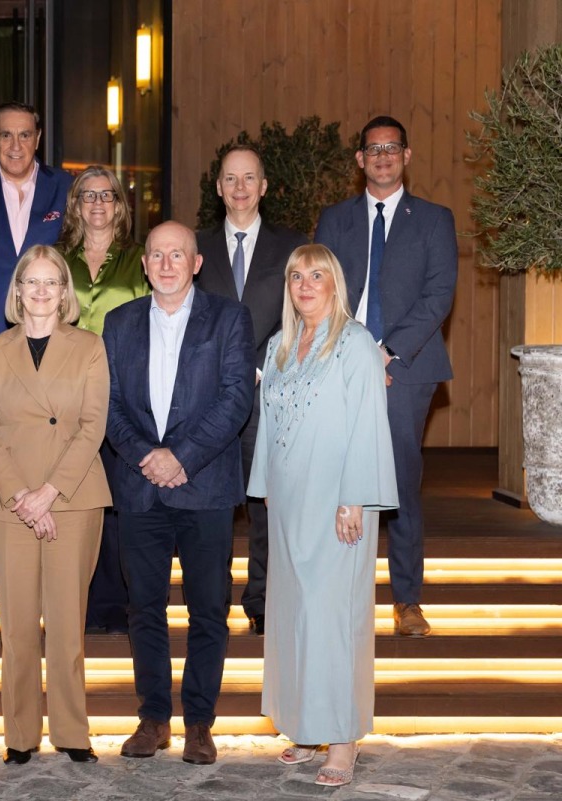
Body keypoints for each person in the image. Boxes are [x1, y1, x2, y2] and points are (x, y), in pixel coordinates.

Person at [103, 221, 254, 765]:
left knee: (208, 610)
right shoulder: (118, 324)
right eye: (156, 255)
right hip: (140, 486)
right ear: (144, 264)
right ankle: (153, 718)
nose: (166, 264)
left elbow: (236, 400)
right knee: (143, 608)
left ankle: (198, 722)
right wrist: (149, 456)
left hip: (205, 487)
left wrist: (182, 456)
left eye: (178, 254)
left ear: (196, 263)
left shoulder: (229, 318)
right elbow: (110, 405)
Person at [248, 244, 398, 788]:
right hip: (289, 501)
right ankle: (306, 726)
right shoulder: (282, 345)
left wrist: (356, 497)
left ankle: (343, 738)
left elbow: (368, 425)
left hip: (339, 501)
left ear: (335, 282)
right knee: (294, 613)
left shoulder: (356, 345)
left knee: (335, 617)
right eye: (295, 276)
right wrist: (264, 486)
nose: (305, 284)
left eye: (316, 275)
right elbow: (267, 423)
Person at [314, 115, 457, 637]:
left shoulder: (435, 219)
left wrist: (387, 352)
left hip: (409, 368)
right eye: (372, 148)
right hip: (339, 364)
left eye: (391, 147)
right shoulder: (335, 220)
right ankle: (336, 596)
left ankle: (407, 600)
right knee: (336, 478)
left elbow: (439, 295)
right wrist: (357, 353)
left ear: (407, 155)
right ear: (359, 160)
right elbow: (318, 289)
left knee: (398, 481)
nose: (382, 156)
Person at [0, 244, 111, 765]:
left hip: (72, 497)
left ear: (64, 292)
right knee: (18, 626)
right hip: (9, 503)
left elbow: (92, 426)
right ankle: (20, 735)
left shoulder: (90, 347)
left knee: (68, 623)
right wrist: (22, 497)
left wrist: (48, 493)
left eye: (52, 281)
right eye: (32, 280)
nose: (41, 290)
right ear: (18, 289)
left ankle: (73, 733)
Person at [0, 100, 73, 583]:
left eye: (24, 135)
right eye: (5, 135)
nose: (15, 145)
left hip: (54, 329)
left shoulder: (65, 189)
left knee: (51, 429)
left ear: (38, 137)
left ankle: (49, 525)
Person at [195, 145, 306, 636]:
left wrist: (262, 366)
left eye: (249, 179)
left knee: (266, 503)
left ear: (263, 187)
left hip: (272, 393)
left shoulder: (293, 248)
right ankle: (211, 595)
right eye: (230, 179)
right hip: (211, 398)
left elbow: (305, 315)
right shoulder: (194, 246)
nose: (239, 188)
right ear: (218, 188)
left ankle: (262, 596)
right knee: (216, 503)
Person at [57, 165, 149, 635]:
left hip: (124, 398)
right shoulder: (55, 259)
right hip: (63, 400)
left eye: (106, 195)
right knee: (72, 500)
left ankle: (118, 603)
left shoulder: (142, 259)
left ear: (119, 204)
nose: (97, 204)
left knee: (118, 503)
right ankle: (74, 603)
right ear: (75, 204)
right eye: (88, 195)